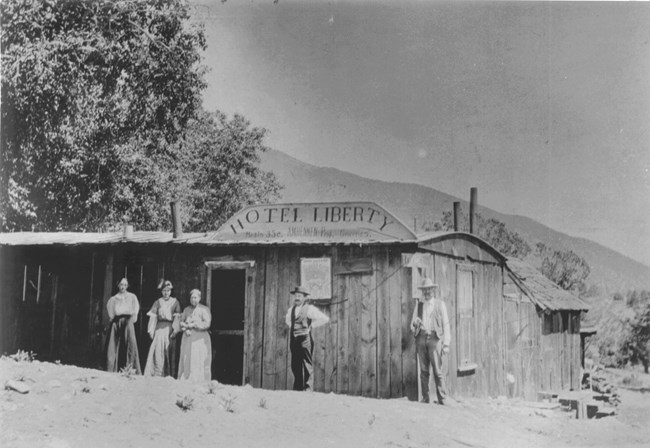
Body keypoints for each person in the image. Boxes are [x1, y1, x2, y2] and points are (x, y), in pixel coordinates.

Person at [410, 277, 450, 404]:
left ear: (433, 290)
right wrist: (415, 323)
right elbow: (412, 325)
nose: (427, 293)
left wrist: (446, 344)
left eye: (429, 290)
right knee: (423, 371)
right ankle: (425, 398)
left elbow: (446, 325)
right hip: (421, 339)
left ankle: (442, 399)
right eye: (424, 290)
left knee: (438, 370)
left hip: (435, 339)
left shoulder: (440, 304)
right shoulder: (419, 305)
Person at [285, 285, 330, 391]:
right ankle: (298, 389)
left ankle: (308, 389)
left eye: (299, 296)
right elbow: (288, 321)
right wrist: (293, 328)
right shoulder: (291, 309)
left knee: (307, 365)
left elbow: (324, 318)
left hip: (305, 340)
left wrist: (311, 326)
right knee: (295, 365)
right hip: (294, 340)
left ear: (305, 298)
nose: (297, 298)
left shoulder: (309, 309)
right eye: (296, 295)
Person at [143, 280, 182, 377]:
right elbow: (153, 317)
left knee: (168, 349)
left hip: (169, 328)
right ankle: (157, 373)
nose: (166, 293)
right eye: (164, 290)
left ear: (171, 291)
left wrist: (175, 331)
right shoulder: (157, 302)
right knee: (157, 350)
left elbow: (177, 318)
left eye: (168, 290)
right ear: (161, 291)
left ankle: (168, 374)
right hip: (159, 329)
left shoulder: (175, 302)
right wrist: (151, 331)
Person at [106, 277, 142, 374]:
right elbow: (111, 313)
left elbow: (135, 311)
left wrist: (131, 320)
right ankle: (114, 369)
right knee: (114, 344)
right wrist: (114, 320)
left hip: (128, 322)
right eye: (121, 284)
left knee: (130, 343)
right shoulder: (113, 299)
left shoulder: (132, 297)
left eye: (125, 285)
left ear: (127, 286)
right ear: (118, 285)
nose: (123, 287)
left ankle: (129, 368)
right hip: (117, 322)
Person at [177, 289, 212, 381]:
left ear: (199, 298)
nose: (193, 300)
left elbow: (207, 324)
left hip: (199, 339)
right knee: (187, 358)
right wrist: (185, 328)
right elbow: (181, 321)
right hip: (188, 338)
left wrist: (194, 325)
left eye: (195, 298)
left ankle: (199, 379)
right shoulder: (186, 309)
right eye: (192, 298)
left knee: (198, 359)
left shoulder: (204, 309)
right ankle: (187, 378)